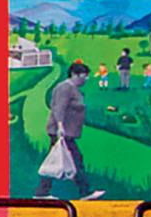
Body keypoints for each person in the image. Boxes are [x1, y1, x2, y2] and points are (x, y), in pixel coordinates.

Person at [41, 62, 104, 200]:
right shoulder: (65, 88)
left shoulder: (73, 88)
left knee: (59, 160)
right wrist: (60, 126)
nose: (86, 79)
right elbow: (59, 108)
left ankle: (42, 192)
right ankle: (84, 191)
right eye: (84, 76)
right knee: (73, 159)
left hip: (66, 132)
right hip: (62, 132)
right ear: (74, 75)